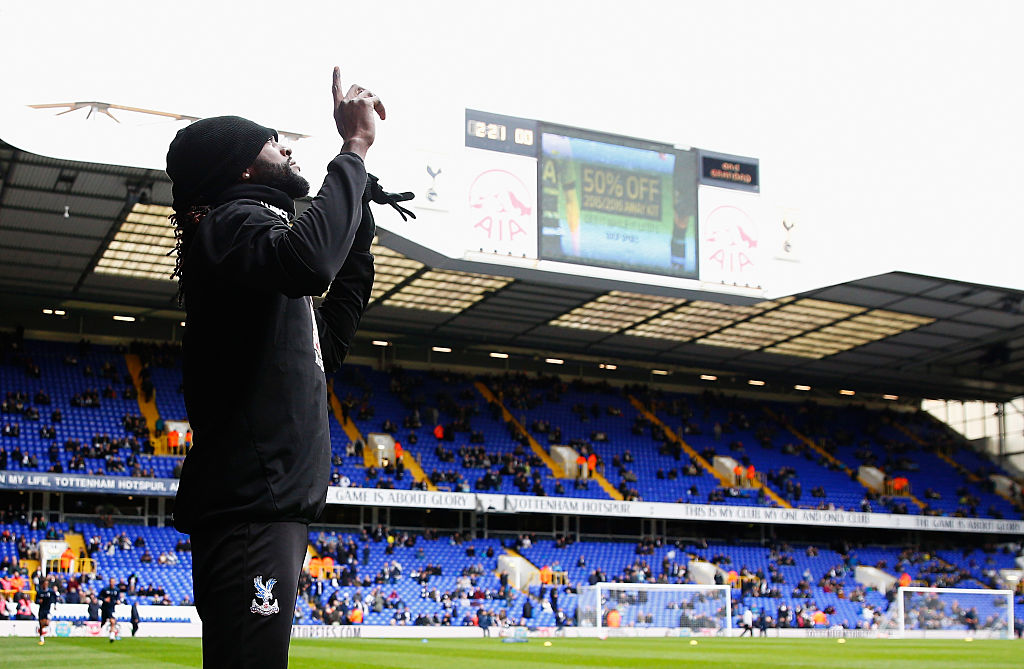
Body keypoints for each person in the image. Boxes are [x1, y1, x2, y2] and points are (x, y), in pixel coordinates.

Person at [166, 68, 407, 669]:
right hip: (252, 506)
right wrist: (353, 148)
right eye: (273, 144)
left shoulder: (252, 254)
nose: (289, 150)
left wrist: (358, 226)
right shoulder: (230, 223)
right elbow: (310, 262)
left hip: (267, 506)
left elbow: (330, 341)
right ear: (242, 168)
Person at [36, 579, 59, 645]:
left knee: (46, 623)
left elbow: (55, 598)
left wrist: (55, 605)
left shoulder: (50, 591)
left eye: (47, 584)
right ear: (42, 584)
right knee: (41, 624)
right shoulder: (39, 592)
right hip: (41, 610)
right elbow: (36, 600)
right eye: (44, 584)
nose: (45, 585)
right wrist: (39, 601)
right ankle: (41, 638)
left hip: (48, 609)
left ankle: (46, 629)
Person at [98, 577, 120, 642]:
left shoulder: (117, 590)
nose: (112, 583)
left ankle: (112, 636)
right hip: (105, 608)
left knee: (113, 621)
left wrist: (118, 601)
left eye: (113, 582)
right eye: (111, 582)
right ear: (109, 582)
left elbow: (117, 598)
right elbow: (99, 596)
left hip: (112, 608)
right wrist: (105, 599)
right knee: (103, 622)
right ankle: (99, 632)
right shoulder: (105, 589)